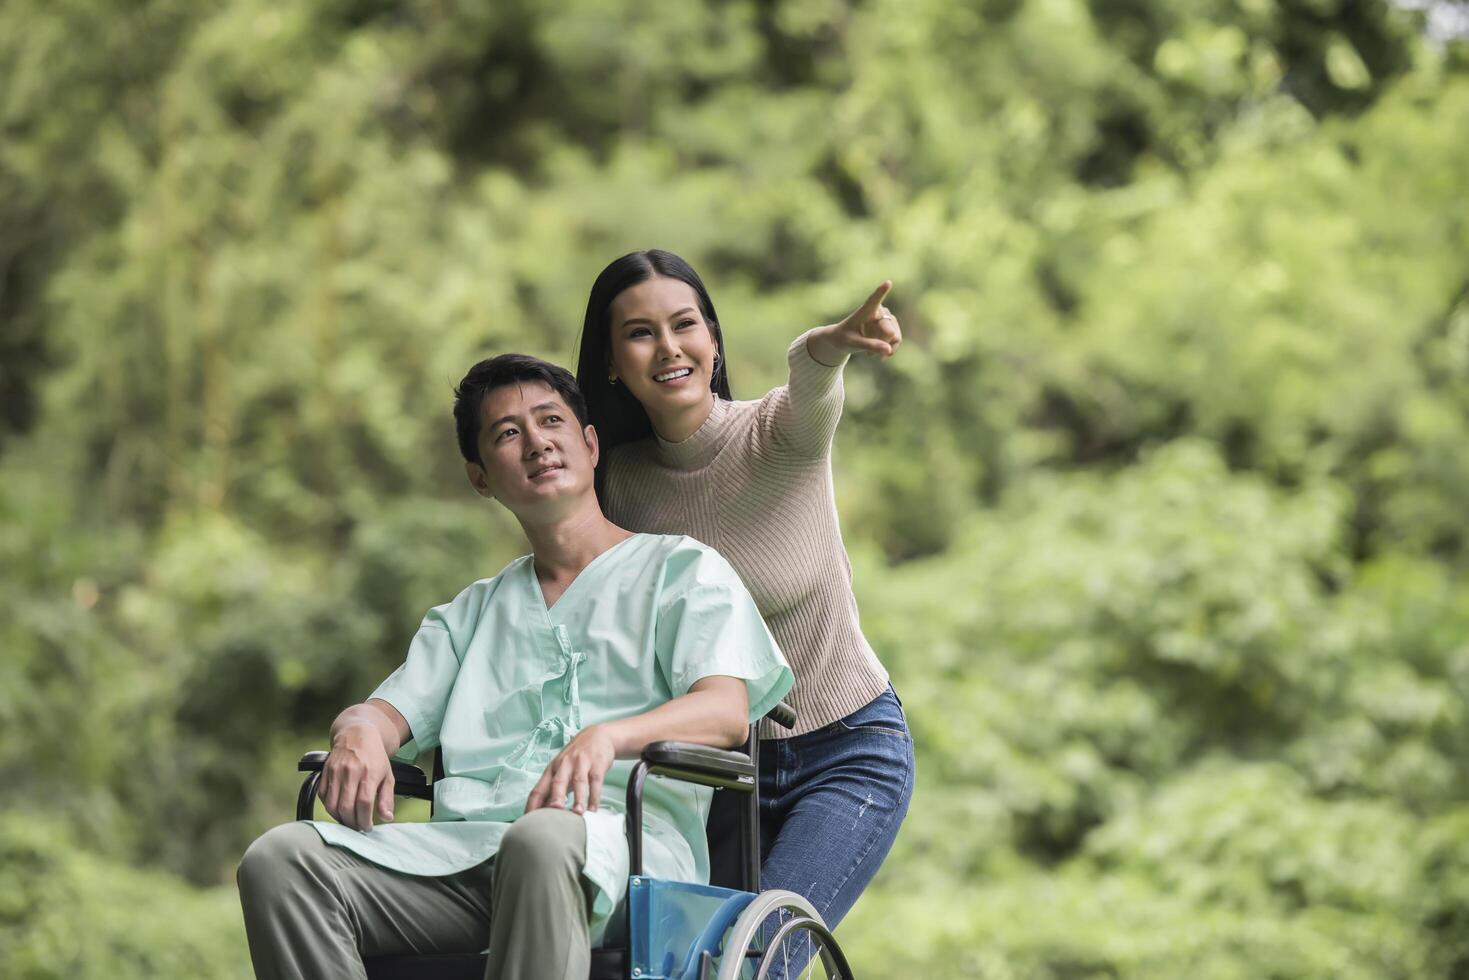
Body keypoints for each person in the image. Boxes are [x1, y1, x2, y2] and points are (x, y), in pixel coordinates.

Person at [237, 354, 792, 980]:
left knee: (541, 839)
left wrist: (608, 737)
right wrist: (358, 733)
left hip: (620, 857)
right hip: (463, 860)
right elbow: (383, 713)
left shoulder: (681, 571)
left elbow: (725, 711)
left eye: (550, 420)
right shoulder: (468, 614)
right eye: (506, 433)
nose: (535, 442)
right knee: (280, 860)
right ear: (480, 478)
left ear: (588, 445)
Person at [573, 250, 915, 935]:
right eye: (640, 333)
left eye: (684, 324)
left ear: (713, 339)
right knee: (680, 964)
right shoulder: (614, 484)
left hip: (844, 749)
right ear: (611, 360)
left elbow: (813, 374)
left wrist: (829, 342)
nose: (668, 348)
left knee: (760, 955)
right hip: (710, 780)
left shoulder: (780, 433)